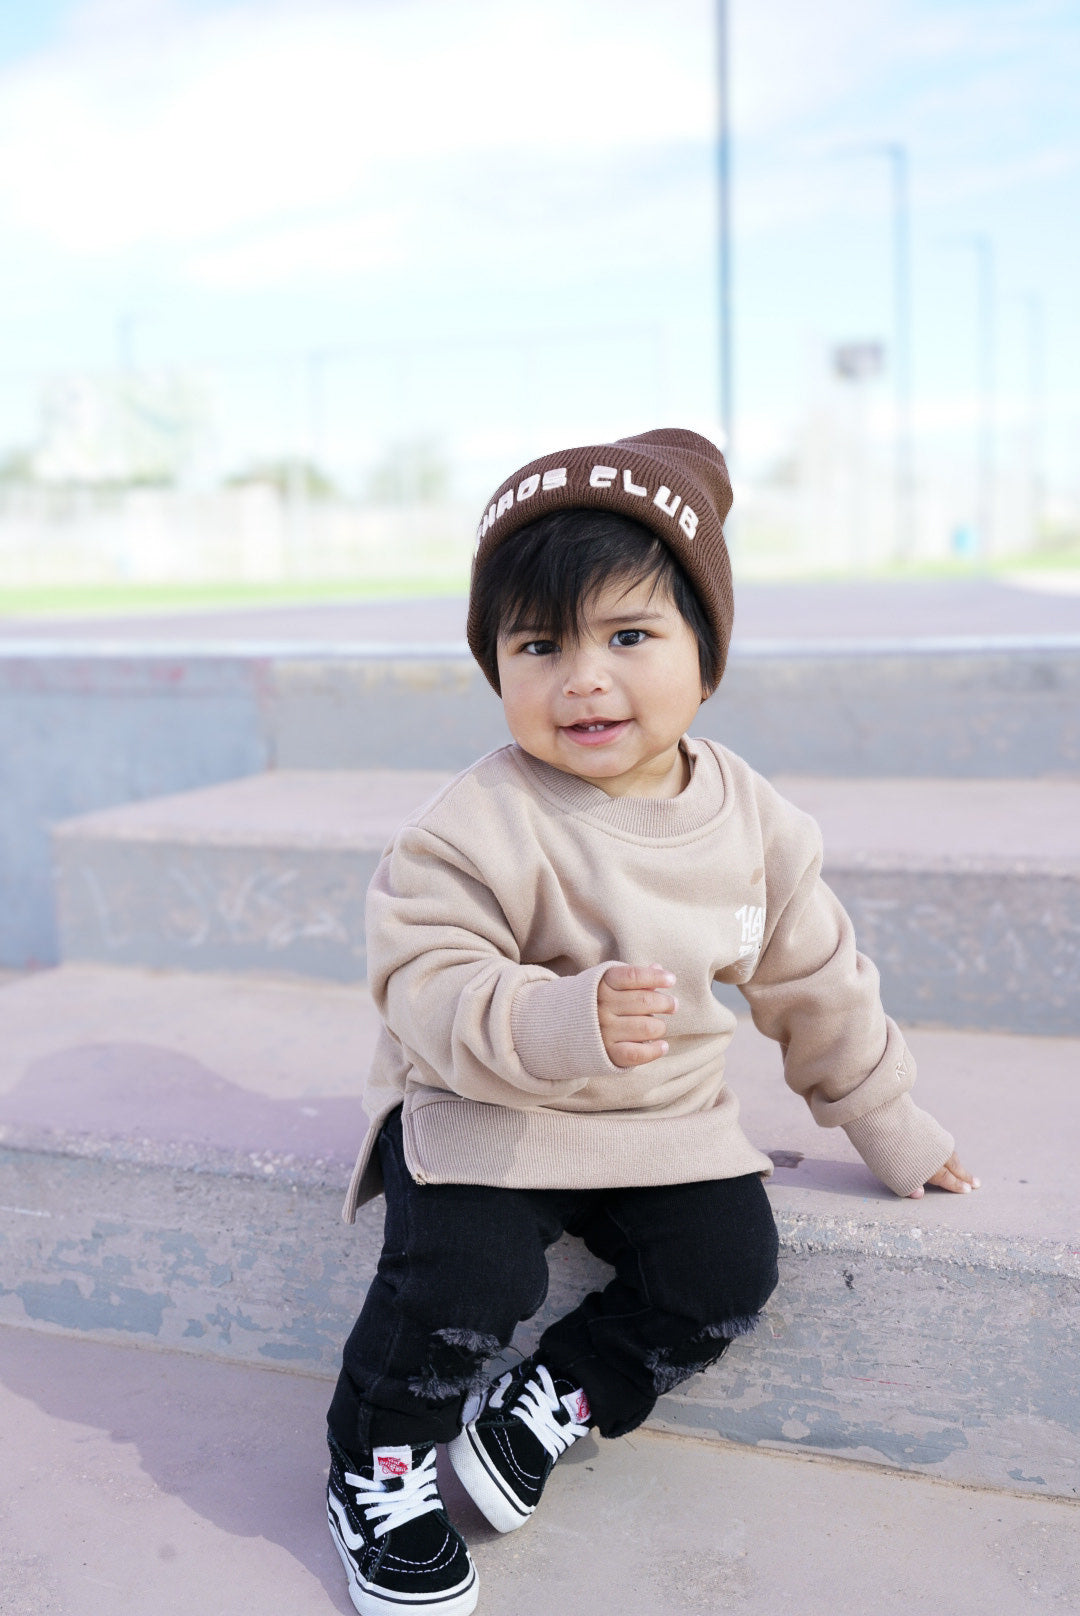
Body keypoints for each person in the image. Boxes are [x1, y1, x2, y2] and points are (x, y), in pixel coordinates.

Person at [324, 427, 978, 1616]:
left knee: (727, 1266)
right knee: (464, 1276)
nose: (584, 677)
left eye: (629, 636)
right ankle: (378, 1460)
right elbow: (422, 975)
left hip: (657, 1118)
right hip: (492, 1104)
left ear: (706, 656)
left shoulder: (754, 821)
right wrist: (559, 1017)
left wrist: (887, 1116)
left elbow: (813, 973)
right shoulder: (473, 821)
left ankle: (553, 1400)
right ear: (498, 669)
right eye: (540, 645)